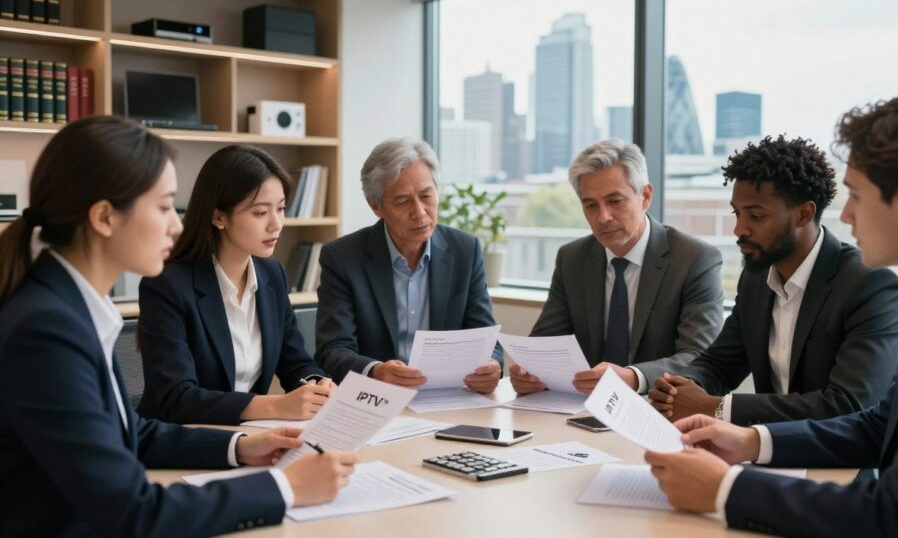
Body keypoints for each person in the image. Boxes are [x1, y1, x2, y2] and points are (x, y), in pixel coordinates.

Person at [644, 91, 898, 537]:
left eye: (857, 196)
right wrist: (751, 441)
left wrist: (727, 490)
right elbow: (882, 424)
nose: (844, 214)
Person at [0, 117, 356, 536]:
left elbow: (132, 435)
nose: (177, 224)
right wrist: (284, 487)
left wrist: (241, 446)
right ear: (104, 217)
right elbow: (135, 512)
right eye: (165, 206)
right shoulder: (47, 331)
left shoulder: (70, 309)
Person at [648, 135, 898, 426]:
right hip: (765, 452)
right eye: (737, 213)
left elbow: (849, 403)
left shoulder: (870, 285)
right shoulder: (756, 279)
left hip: (847, 465)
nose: (739, 229)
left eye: (756, 216)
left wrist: (717, 408)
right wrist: (679, 389)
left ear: (804, 214)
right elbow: (720, 364)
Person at [137, 145, 334, 425]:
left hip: (252, 438)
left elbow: (296, 363)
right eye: (260, 213)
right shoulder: (167, 285)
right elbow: (178, 398)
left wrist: (315, 384)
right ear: (219, 216)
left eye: (280, 209)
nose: (276, 224)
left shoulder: (271, 275)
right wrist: (276, 406)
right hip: (181, 443)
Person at [514, 139, 724, 396]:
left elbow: (699, 357)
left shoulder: (694, 260)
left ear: (645, 196)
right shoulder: (572, 259)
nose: (603, 217)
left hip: (658, 408)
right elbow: (546, 344)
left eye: (615, 201)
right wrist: (529, 371)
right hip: (583, 408)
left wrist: (634, 377)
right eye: (590, 205)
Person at [316, 137, 502, 391]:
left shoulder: (464, 250)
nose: (420, 212)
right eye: (403, 201)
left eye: (427, 196)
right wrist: (376, 371)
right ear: (376, 206)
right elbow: (332, 350)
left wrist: (492, 365)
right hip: (377, 399)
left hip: (447, 398)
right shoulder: (343, 258)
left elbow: (486, 338)